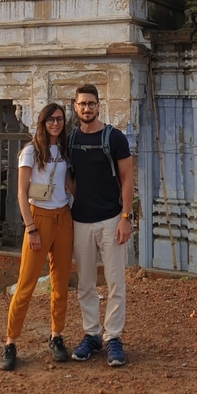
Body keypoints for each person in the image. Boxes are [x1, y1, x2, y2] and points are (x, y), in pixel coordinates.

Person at [0, 102, 74, 371]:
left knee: (61, 282)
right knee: (26, 283)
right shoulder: (30, 151)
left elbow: (69, 184)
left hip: (62, 217)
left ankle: (56, 335)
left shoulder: (64, 150)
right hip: (38, 217)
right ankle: (10, 341)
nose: (56, 123)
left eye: (60, 119)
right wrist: (30, 227)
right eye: (51, 119)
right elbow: (21, 192)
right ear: (42, 123)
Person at [68, 84, 134, 367]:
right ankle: (92, 334)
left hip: (110, 218)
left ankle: (114, 337)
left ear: (99, 105)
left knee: (115, 281)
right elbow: (68, 176)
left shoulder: (114, 138)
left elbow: (127, 177)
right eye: (82, 104)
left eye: (91, 104)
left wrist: (125, 218)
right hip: (80, 220)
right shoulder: (70, 139)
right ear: (75, 106)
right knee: (85, 283)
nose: (87, 108)